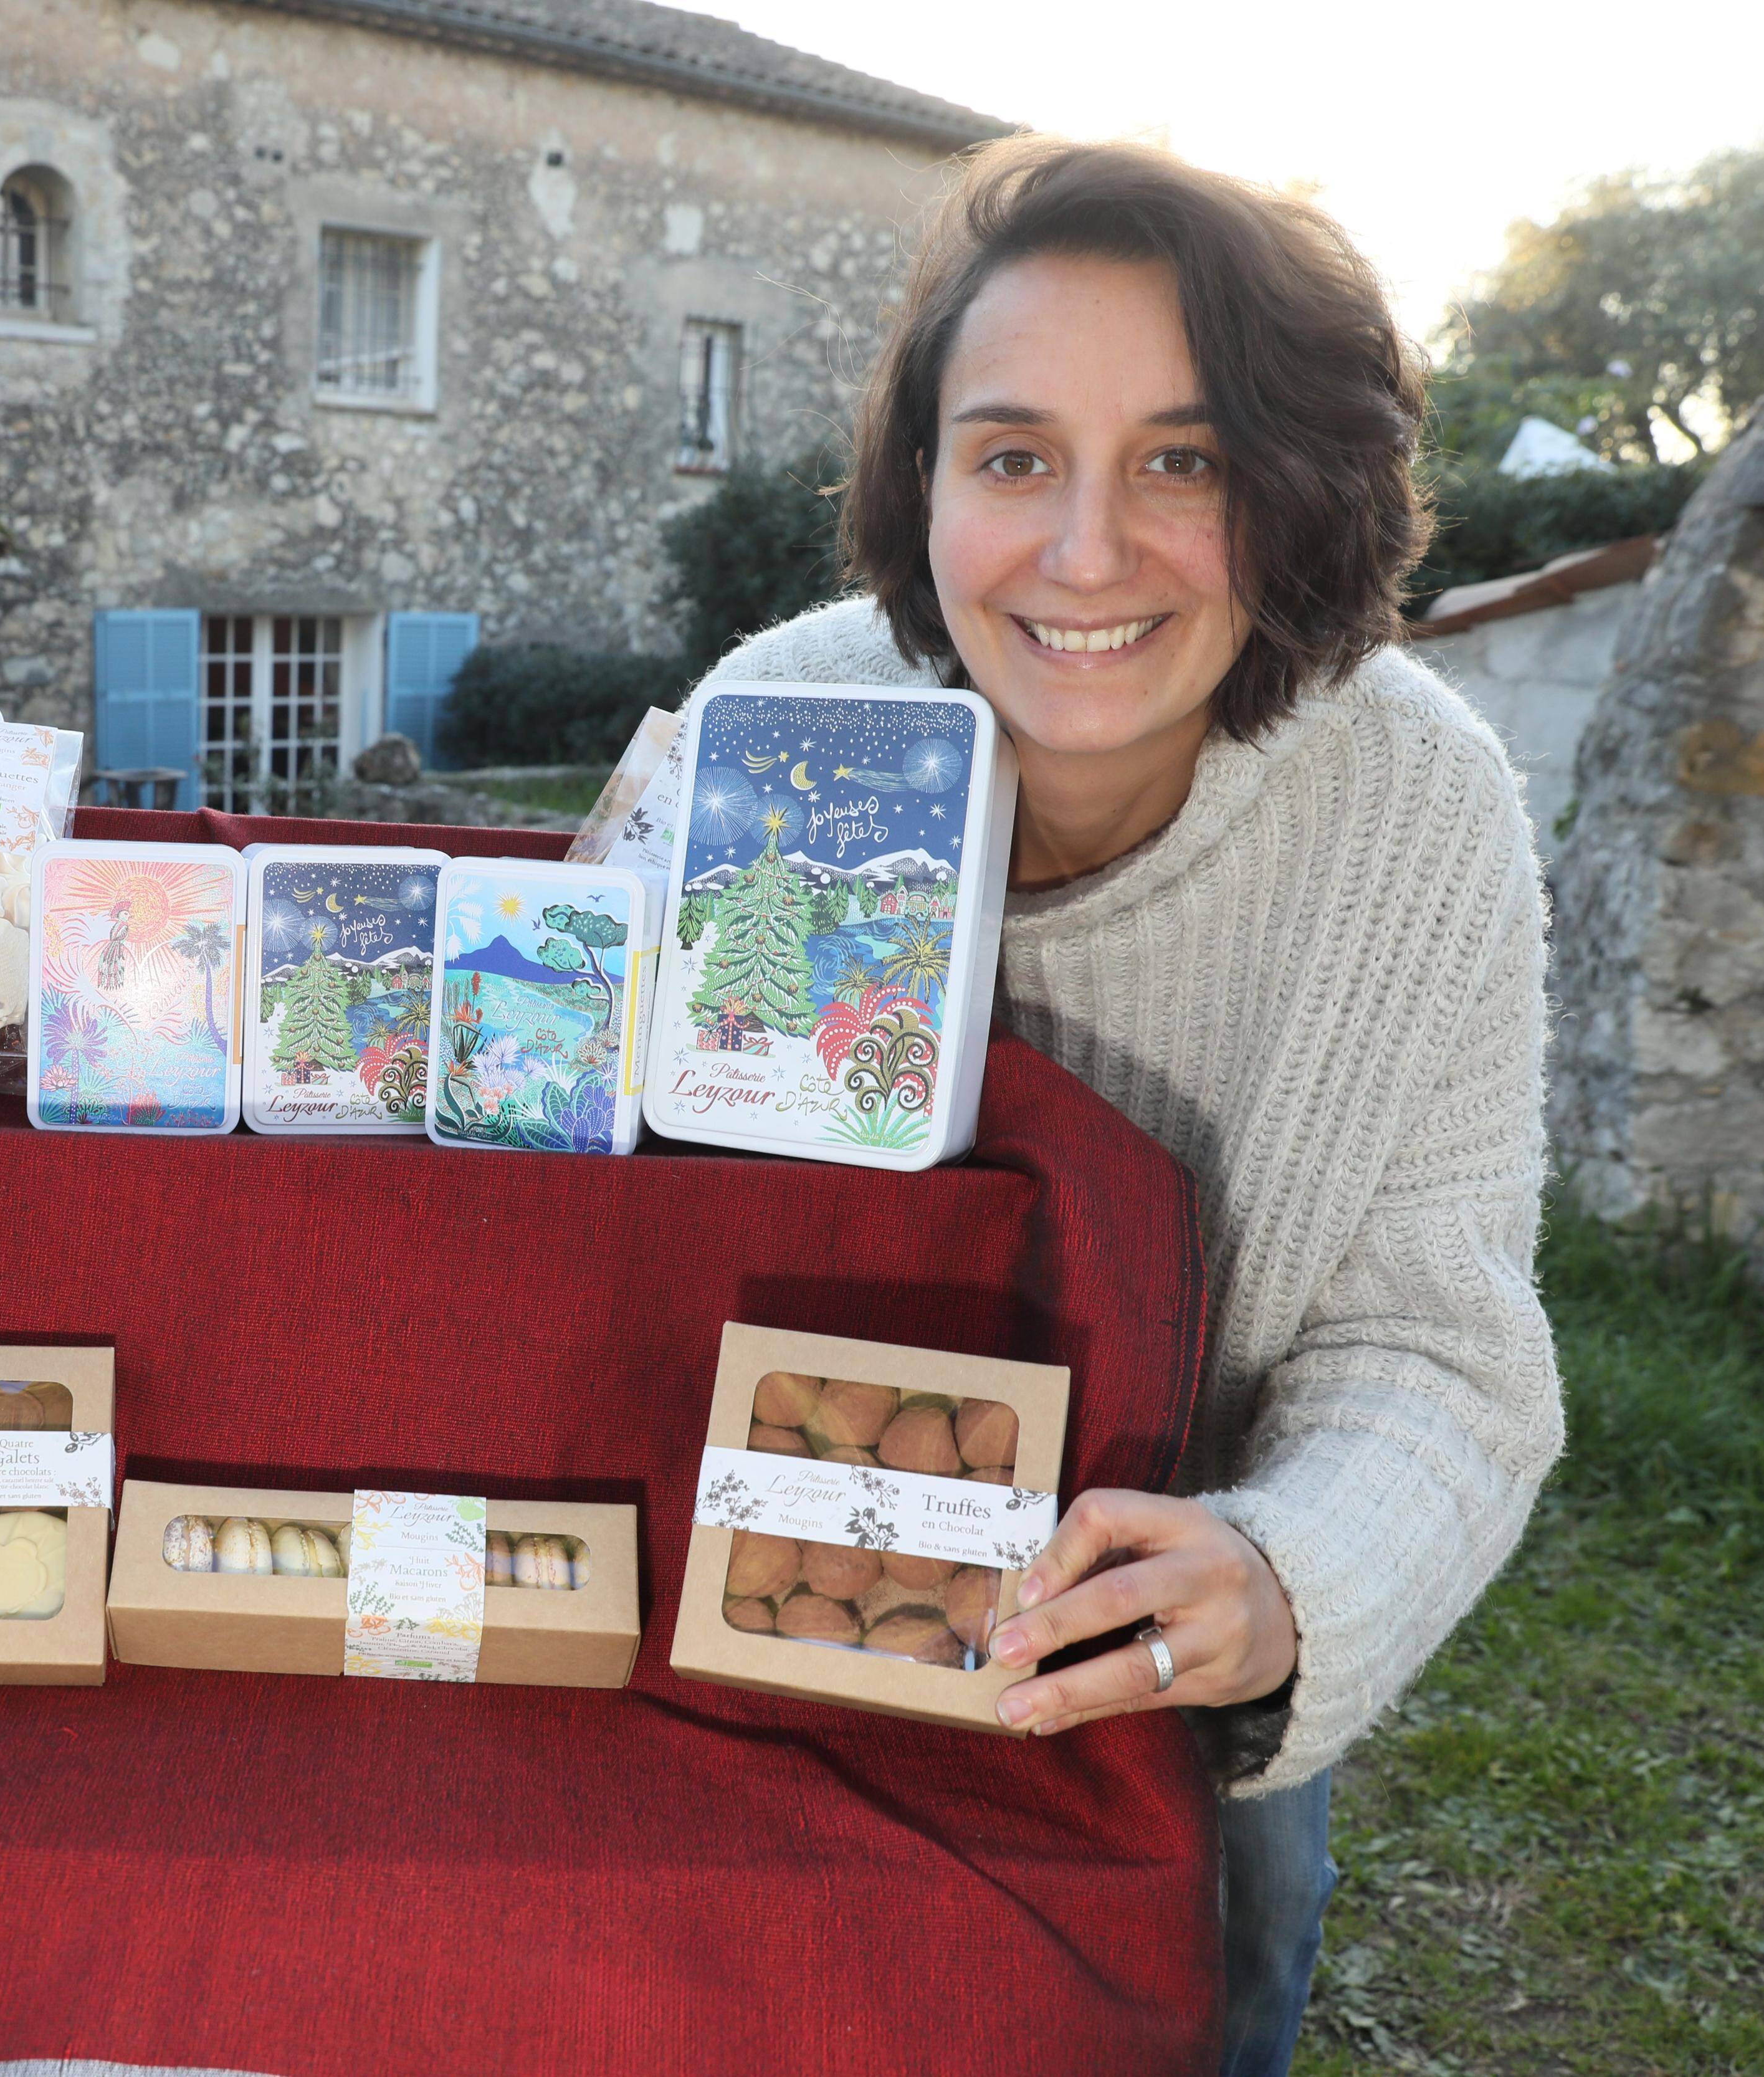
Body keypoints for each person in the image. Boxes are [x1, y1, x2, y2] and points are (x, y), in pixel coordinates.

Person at [701, 138, 1560, 2077]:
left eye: (1183, 459)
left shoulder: (1420, 813)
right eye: (1013, 456)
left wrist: (1277, 1578)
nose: (1086, 551)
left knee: (1219, 1973)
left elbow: (1437, 1337)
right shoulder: (783, 723)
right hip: (784, 1584)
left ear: (1299, 487)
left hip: (1166, 1658)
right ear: (920, 484)